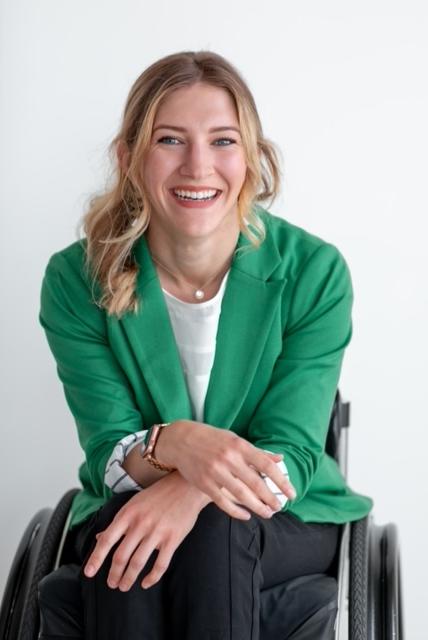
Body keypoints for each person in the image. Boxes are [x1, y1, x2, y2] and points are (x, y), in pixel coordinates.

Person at [39, 50, 373, 639]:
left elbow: (290, 452)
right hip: (130, 505)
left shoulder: (314, 272)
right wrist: (177, 444)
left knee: (213, 526)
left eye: (222, 141)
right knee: (129, 533)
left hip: (287, 513)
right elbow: (106, 457)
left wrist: (193, 479)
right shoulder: (77, 279)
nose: (199, 166)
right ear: (130, 157)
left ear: (251, 160)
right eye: (170, 140)